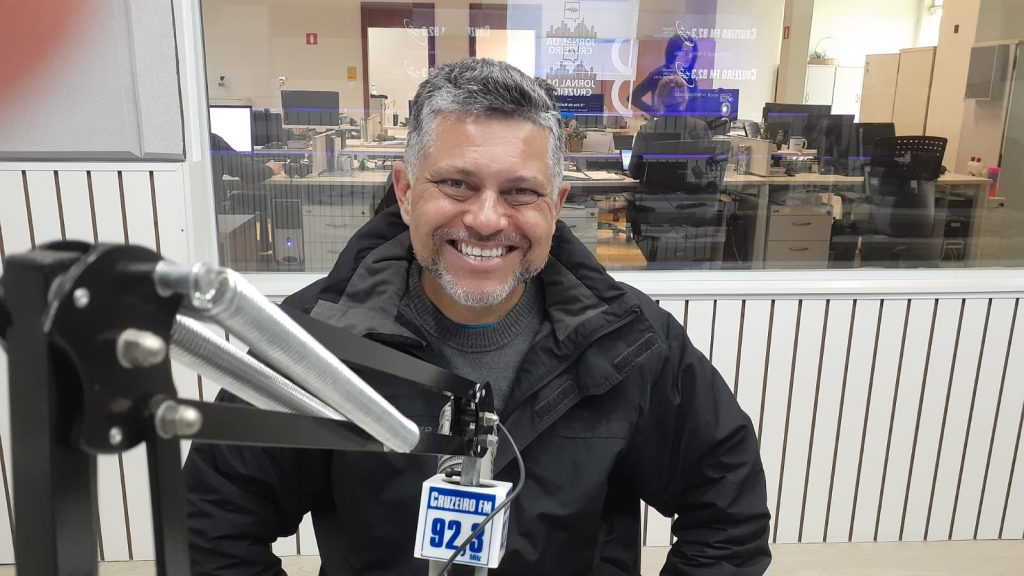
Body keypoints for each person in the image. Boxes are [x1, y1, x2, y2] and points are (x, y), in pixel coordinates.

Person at [184, 57, 770, 575]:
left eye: (521, 192)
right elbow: (211, 524)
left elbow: (728, 510)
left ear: (556, 204)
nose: (487, 220)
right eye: (457, 184)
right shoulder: (318, 344)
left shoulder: (630, 343)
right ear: (406, 192)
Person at [631, 35, 698, 116]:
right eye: (685, 52)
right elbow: (633, 97)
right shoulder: (658, 73)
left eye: (691, 53)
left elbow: (694, 107)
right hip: (662, 122)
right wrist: (653, 113)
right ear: (674, 51)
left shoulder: (690, 77)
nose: (689, 56)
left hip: (684, 123)